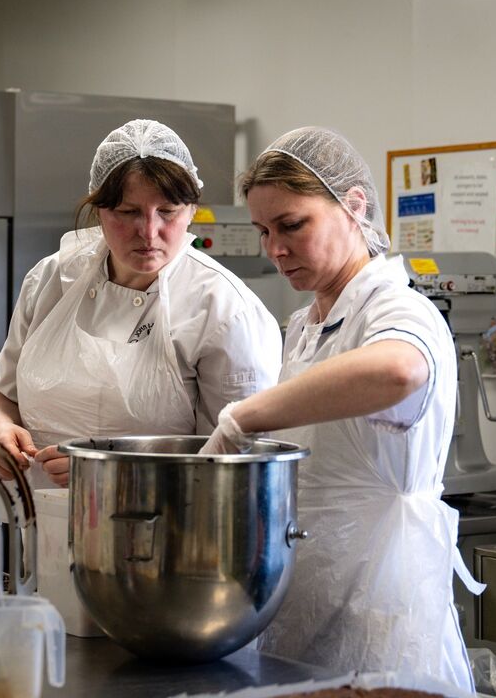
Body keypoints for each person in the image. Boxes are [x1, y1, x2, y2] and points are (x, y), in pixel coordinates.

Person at [200, 127, 478, 691]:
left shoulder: (399, 308)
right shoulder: (306, 328)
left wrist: (244, 417)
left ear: (353, 206)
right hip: (309, 606)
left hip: (382, 617)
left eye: (292, 225)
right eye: (263, 231)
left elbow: (396, 370)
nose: (275, 248)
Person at [0, 119, 281, 490]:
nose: (149, 231)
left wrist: (107, 474)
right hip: (37, 521)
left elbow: (238, 466)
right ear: (99, 210)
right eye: (128, 212)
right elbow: (2, 395)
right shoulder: (51, 279)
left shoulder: (224, 310)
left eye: (167, 211)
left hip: (160, 532)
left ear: (191, 211)